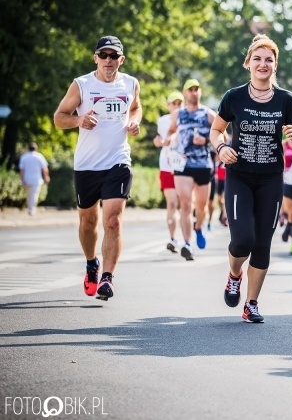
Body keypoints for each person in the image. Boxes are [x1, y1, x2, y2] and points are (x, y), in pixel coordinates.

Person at [210, 34, 292, 323]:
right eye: (257, 59)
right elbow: (216, 131)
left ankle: (251, 303)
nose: (263, 64)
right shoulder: (234, 97)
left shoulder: (286, 100)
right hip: (239, 176)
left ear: (275, 65)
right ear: (248, 63)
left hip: (270, 179)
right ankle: (234, 274)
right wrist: (221, 148)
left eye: (269, 60)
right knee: (242, 241)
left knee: (263, 243)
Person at [53, 35, 141, 300]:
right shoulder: (82, 85)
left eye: (113, 56)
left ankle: (107, 278)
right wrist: (78, 120)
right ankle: (92, 263)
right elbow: (59, 118)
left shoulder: (131, 83)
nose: (108, 60)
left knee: (113, 220)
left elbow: (136, 108)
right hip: (87, 164)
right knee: (88, 221)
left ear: (121, 60)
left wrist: (134, 121)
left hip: (118, 161)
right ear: (95, 58)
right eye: (103, 55)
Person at [169, 78, 217, 261]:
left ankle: (198, 227)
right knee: (186, 205)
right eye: (190, 89)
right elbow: (171, 131)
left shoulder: (209, 114)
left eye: (196, 89)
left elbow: (223, 136)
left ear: (200, 92)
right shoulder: (178, 114)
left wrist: (206, 140)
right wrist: (170, 140)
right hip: (183, 164)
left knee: (201, 207)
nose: (194, 92)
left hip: (203, 164)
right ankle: (187, 244)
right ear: (185, 93)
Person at [153, 91, 184, 253]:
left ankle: (187, 239)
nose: (177, 106)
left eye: (180, 103)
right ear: (168, 105)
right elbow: (158, 139)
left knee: (185, 204)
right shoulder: (162, 121)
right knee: (172, 203)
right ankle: (173, 239)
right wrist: (159, 142)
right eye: (174, 103)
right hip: (166, 165)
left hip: (184, 166)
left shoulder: (188, 119)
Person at [18, 142, 50, 216]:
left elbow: (21, 170)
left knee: (29, 195)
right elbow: (45, 168)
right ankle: (31, 209)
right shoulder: (39, 156)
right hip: (36, 179)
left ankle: (30, 208)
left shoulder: (24, 157)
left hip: (27, 179)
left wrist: (22, 179)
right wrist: (46, 177)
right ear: (36, 149)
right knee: (34, 195)